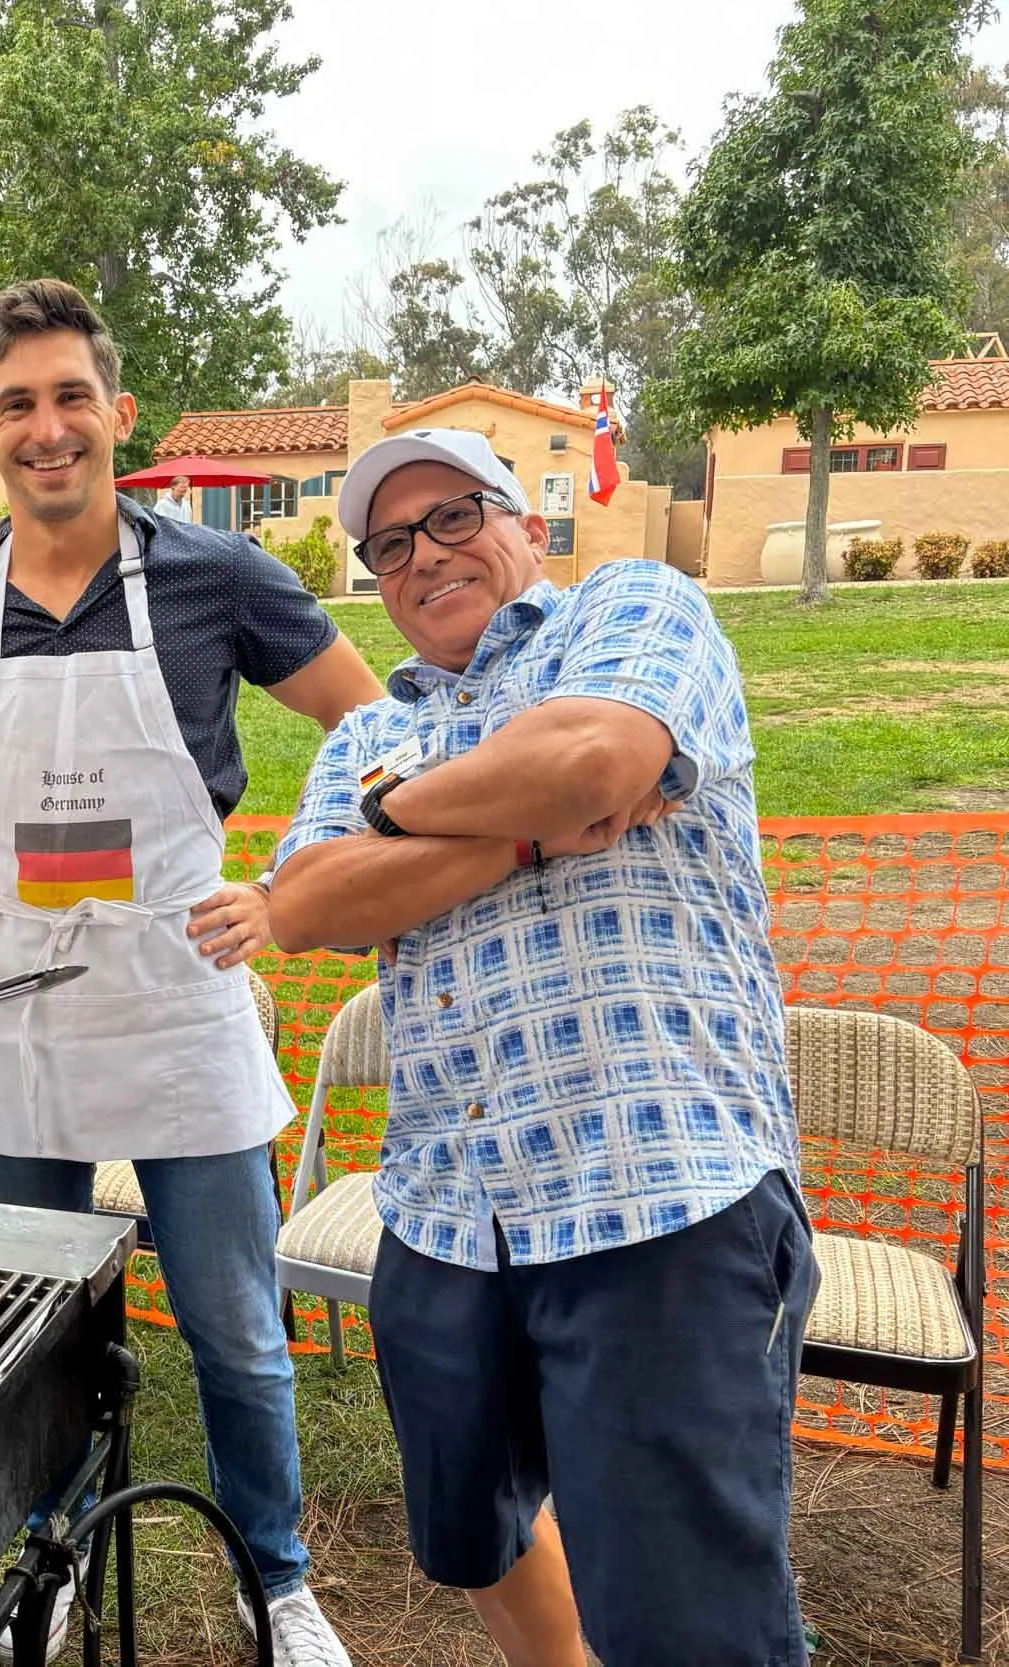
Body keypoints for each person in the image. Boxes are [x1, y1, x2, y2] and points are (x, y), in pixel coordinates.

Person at [0, 279, 382, 1663]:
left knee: (233, 1329)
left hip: (175, 1016)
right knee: (30, 1331)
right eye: (15, 405)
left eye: (67, 397)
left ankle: (276, 1582)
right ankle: (50, 1565)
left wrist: (287, 890)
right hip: (9, 1035)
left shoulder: (218, 579)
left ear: (116, 413)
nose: (46, 429)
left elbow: (373, 726)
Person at [269, 427, 813, 1667]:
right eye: (391, 543)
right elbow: (306, 903)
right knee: (468, 1532)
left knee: (687, 1624)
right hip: (446, 1210)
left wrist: (400, 811)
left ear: (528, 525)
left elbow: (594, 756)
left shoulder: (636, 605)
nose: (425, 555)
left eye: (456, 517)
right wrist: (527, 830)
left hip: (654, 1194)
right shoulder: (365, 730)